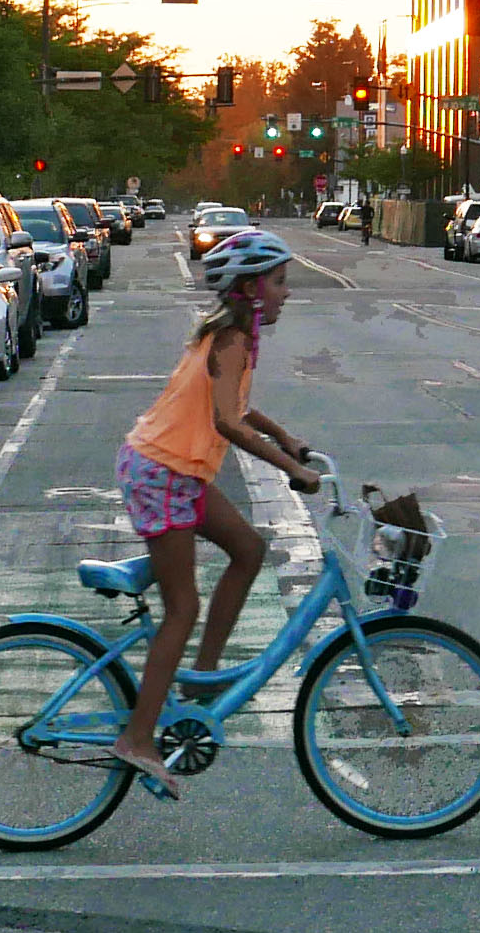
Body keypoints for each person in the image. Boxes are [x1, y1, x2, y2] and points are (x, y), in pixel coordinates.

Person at [108, 229, 320, 797]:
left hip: (178, 470)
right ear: (250, 289)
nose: (286, 294)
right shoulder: (229, 339)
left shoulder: (237, 339)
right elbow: (228, 423)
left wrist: (287, 437)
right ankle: (138, 738)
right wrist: (287, 467)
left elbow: (239, 407)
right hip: (163, 469)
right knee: (183, 606)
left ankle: (201, 681)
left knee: (248, 550)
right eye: (278, 282)